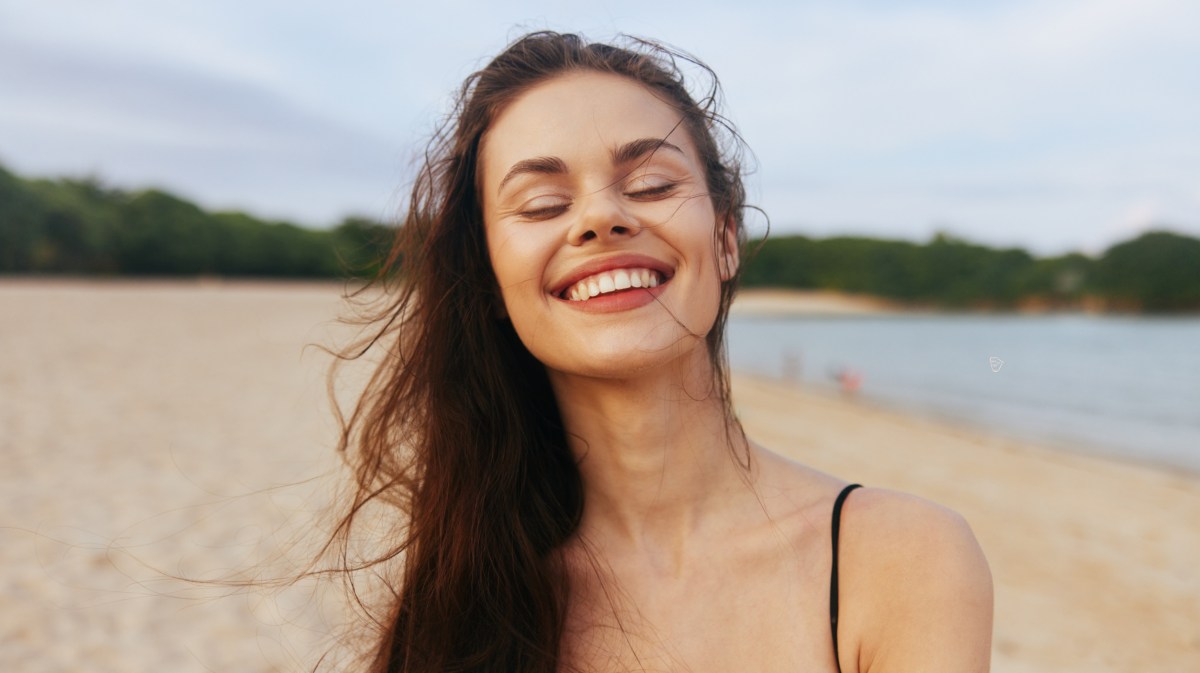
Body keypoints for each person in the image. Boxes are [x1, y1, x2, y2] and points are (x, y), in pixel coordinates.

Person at [331, 31, 992, 673]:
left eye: (650, 185)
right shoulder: (463, 600)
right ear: (491, 282)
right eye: (542, 204)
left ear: (726, 238)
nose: (600, 218)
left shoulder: (901, 558)